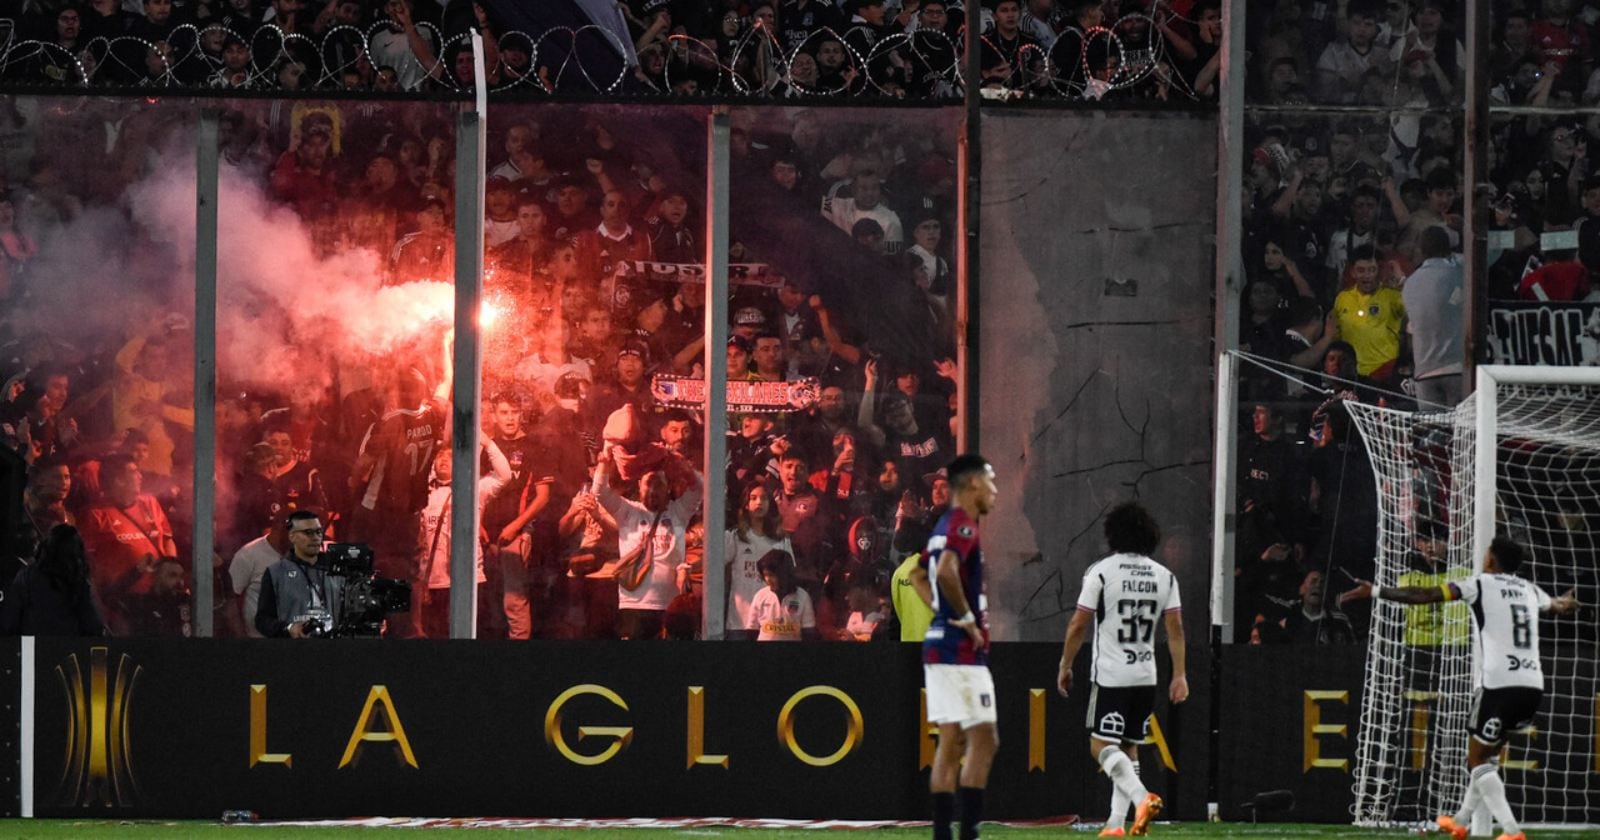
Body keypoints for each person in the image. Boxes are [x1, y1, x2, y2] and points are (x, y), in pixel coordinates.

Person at [1342, 536, 1580, 840]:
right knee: (1488, 756)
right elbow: (1559, 605)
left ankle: (1511, 832)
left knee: (1476, 759)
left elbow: (1423, 595)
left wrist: (1376, 590)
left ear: (1491, 559)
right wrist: (1569, 602)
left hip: (1499, 686)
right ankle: (1461, 820)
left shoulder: (1478, 584)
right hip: (1533, 685)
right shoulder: (1529, 589)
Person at [1057, 501, 1187, 838]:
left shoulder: (1101, 571)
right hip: (1146, 676)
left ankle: (1142, 797)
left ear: (1112, 533)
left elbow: (1078, 625)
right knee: (1129, 747)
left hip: (1112, 675)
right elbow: (1176, 631)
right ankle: (1116, 824)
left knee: (1099, 747)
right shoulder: (1164, 575)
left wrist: (1065, 664)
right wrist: (1180, 675)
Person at [924, 453, 999, 840]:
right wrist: (967, 619)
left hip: (940, 645)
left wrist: (940, 611)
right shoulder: (963, 526)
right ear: (972, 484)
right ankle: (968, 833)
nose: (994, 491)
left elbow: (922, 575)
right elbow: (943, 571)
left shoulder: (941, 525)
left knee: (951, 742)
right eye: (991, 481)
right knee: (984, 739)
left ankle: (944, 835)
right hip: (960, 651)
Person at [591, 442, 703, 640]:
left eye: (658, 483)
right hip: (633, 604)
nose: (653, 489)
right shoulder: (628, 511)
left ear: (668, 487)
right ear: (638, 485)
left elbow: (699, 488)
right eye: (648, 483)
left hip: (669, 604)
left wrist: (681, 464)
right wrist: (605, 463)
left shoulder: (679, 512)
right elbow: (600, 492)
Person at [0, 524, 106, 636]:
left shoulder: (28, 576)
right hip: (68, 648)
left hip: (34, 646)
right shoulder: (79, 580)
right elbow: (92, 623)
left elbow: (11, 618)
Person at [254, 510, 341, 638]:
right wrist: (288, 628)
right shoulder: (276, 573)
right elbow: (262, 620)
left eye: (318, 532)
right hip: (293, 651)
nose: (315, 537)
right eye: (308, 532)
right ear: (292, 536)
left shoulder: (338, 570)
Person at [747, 548, 817, 641]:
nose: (767, 579)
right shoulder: (760, 596)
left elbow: (808, 631)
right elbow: (752, 630)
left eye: (772, 575)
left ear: (784, 574)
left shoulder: (802, 597)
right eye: (765, 575)